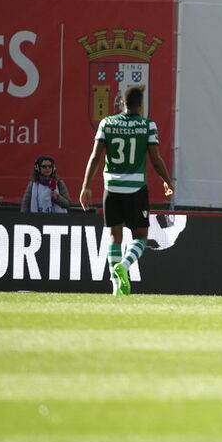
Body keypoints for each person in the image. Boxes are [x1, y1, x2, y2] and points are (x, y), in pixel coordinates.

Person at [79, 85, 174, 295]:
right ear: (141, 104)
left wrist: (86, 186)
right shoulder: (147, 126)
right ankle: (125, 265)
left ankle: (115, 284)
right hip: (135, 188)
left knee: (115, 237)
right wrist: (167, 180)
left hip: (111, 187)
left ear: (122, 102)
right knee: (141, 236)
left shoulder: (107, 123)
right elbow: (155, 159)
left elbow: (95, 156)